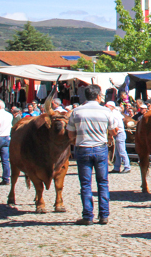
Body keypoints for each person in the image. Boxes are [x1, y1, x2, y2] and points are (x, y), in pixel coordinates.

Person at [67, 85, 116, 225]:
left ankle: (88, 216)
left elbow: (70, 133)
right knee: (103, 182)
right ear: (99, 96)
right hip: (100, 148)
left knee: (86, 184)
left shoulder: (76, 112)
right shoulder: (106, 111)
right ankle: (104, 215)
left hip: (83, 148)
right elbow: (113, 131)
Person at [105, 102, 130, 174]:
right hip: (119, 133)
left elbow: (116, 125)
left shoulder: (113, 114)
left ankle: (127, 167)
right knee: (118, 152)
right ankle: (117, 167)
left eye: (107, 106)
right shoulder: (116, 113)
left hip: (119, 133)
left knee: (122, 151)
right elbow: (123, 118)